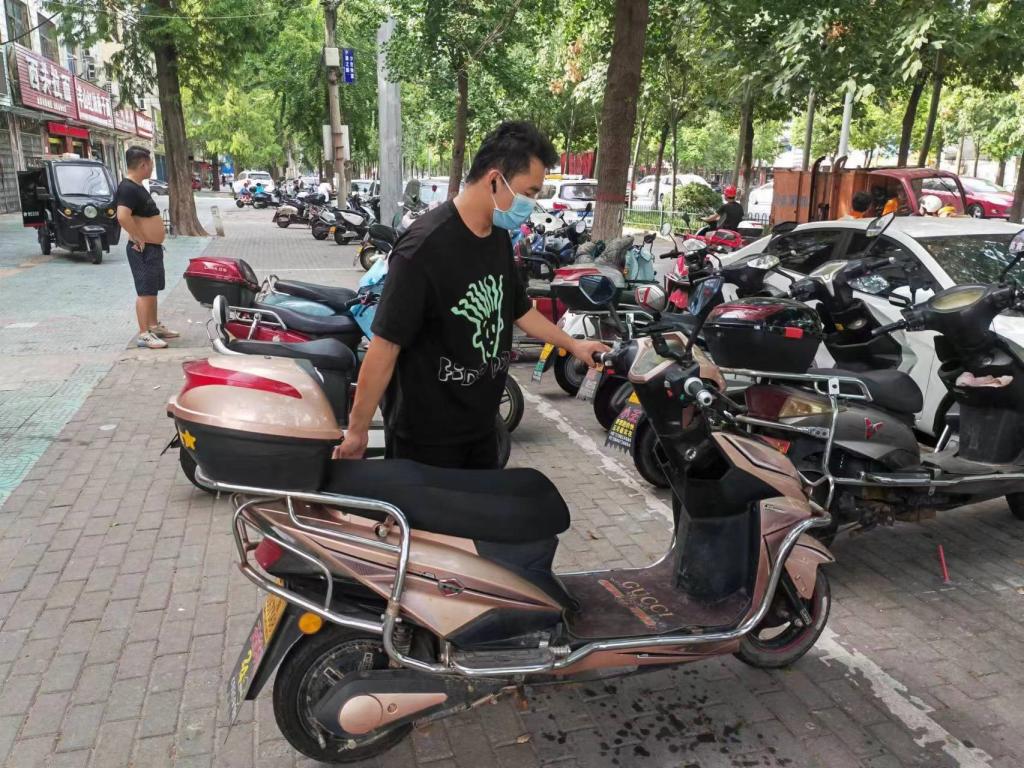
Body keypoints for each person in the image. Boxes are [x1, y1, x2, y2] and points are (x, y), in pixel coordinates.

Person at [334, 121, 609, 469]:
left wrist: (574, 345)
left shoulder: (497, 237)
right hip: (427, 438)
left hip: (482, 427)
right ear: (495, 180)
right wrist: (357, 431)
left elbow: (519, 310)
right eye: (530, 192)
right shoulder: (423, 247)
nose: (532, 204)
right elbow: (385, 346)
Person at [115, 146, 177, 349]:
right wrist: (138, 237)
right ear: (143, 164)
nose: (151, 168)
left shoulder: (138, 186)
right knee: (145, 291)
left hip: (152, 248)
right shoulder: (128, 188)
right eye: (150, 164)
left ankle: (153, 326)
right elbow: (122, 216)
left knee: (152, 289)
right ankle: (144, 334)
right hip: (142, 249)